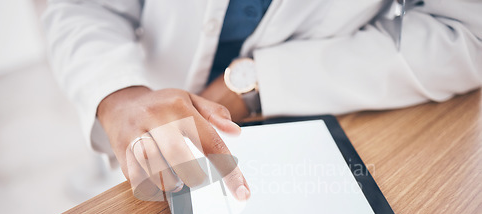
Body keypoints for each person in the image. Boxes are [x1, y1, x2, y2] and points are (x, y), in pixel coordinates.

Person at [43, 0, 482, 201]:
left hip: (327, 116)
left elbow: (464, 36)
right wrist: (117, 94)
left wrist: (256, 84)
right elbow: (81, 8)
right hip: (149, 122)